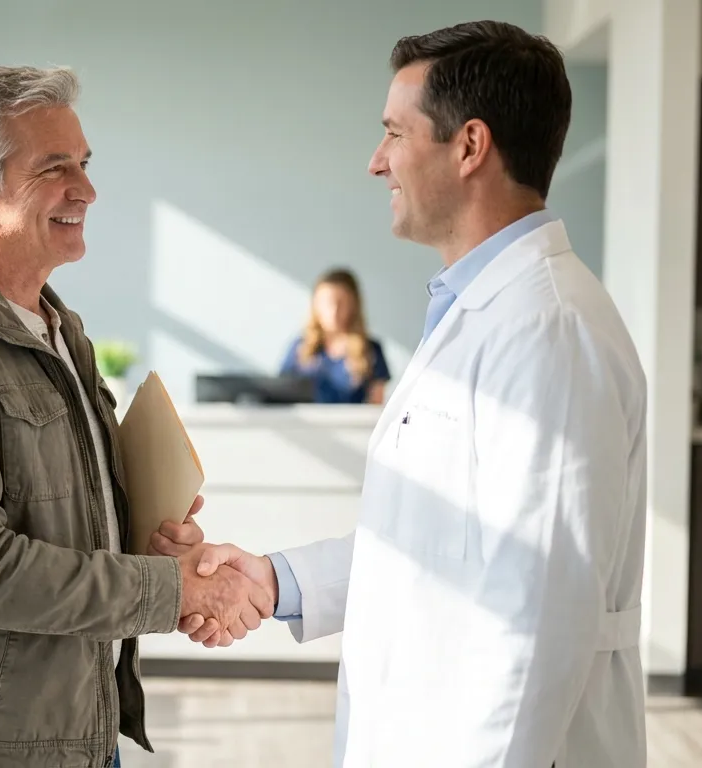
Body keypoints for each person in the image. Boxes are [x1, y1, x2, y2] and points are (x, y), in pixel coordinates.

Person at [157, 20, 648, 768]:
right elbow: (431, 545)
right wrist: (276, 581)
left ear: (470, 146)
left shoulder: (547, 327)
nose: (375, 161)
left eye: (394, 133)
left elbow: (541, 615)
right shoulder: (475, 308)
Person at [0, 65, 272, 768]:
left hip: (71, 729)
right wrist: (171, 592)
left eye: (83, 163)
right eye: (54, 168)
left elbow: (57, 516)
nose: (87, 190)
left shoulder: (58, 329)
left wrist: (150, 538)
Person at [278, 268, 390, 404]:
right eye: (327, 302)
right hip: (307, 424)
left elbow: (375, 409)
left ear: (354, 304)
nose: (334, 311)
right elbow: (280, 396)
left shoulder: (370, 351)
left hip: (353, 424)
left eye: (341, 302)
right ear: (315, 305)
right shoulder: (300, 347)